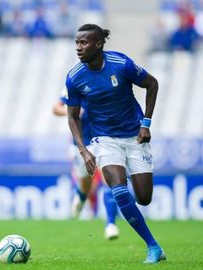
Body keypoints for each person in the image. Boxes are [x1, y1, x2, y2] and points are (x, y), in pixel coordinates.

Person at [65, 24, 166, 264]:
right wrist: (83, 149)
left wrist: (146, 123)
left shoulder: (121, 64)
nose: (79, 47)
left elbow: (152, 84)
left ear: (98, 44)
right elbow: (72, 116)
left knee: (143, 198)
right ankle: (153, 247)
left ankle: (128, 187)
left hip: (135, 136)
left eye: (84, 43)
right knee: (119, 190)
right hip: (104, 140)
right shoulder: (74, 77)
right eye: (77, 43)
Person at [53, 96, 119, 240]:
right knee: (86, 186)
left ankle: (111, 225)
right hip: (81, 145)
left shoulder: (105, 80)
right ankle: (81, 196)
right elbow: (56, 109)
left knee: (110, 180)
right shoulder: (74, 82)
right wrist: (71, 111)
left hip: (103, 141)